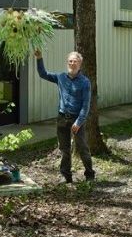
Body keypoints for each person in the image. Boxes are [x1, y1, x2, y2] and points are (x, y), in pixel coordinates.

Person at [34, 48, 95, 183]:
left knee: (82, 148)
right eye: (70, 61)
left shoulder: (85, 82)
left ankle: (90, 174)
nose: (72, 63)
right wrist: (39, 58)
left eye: (75, 61)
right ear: (67, 63)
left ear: (80, 64)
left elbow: (86, 106)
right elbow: (43, 74)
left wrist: (78, 122)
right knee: (64, 149)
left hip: (76, 119)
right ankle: (66, 176)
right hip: (62, 118)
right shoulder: (60, 77)